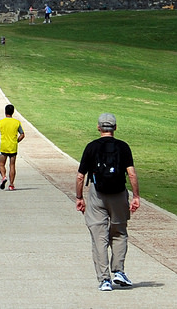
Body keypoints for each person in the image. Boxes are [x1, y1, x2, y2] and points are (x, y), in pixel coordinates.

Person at [76, 112, 140, 291]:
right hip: (119, 193)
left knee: (99, 237)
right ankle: (118, 270)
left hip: (97, 194)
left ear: (98, 128)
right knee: (119, 232)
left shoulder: (91, 147)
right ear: (115, 128)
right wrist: (136, 196)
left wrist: (79, 197)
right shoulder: (123, 147)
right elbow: (132, 173)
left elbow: (81, 176)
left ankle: (104, 279)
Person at [0, 104, 25, 191]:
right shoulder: (17, 123)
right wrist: (16, 141)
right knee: (12, 165)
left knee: (1, 164)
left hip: (4, 147)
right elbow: (22, 134)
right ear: (13, 112)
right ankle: (11, 185)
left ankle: (3, 176)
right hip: (13, 147)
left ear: (5, 111)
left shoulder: (1, 122)